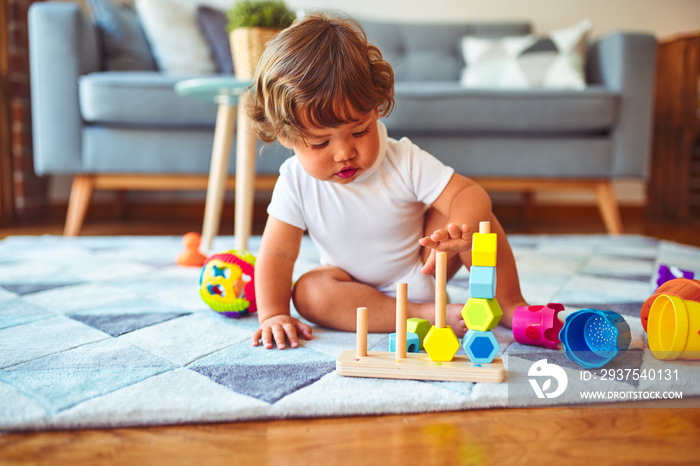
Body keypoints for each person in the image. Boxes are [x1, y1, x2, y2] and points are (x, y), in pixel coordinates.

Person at [248, 12, 528, 350]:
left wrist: (460, 230)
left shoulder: (402, 159)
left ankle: (511, 303)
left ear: (376, 108)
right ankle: (423, 313)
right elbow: (276, 255)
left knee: (478, 216)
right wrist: (274, 314)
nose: (344, 153)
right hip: (353, 289)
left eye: (359, 131)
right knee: (308, 293)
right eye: (321, 143)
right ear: (286, 137)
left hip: (425, 267)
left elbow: (470, 193)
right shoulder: (294, 182)